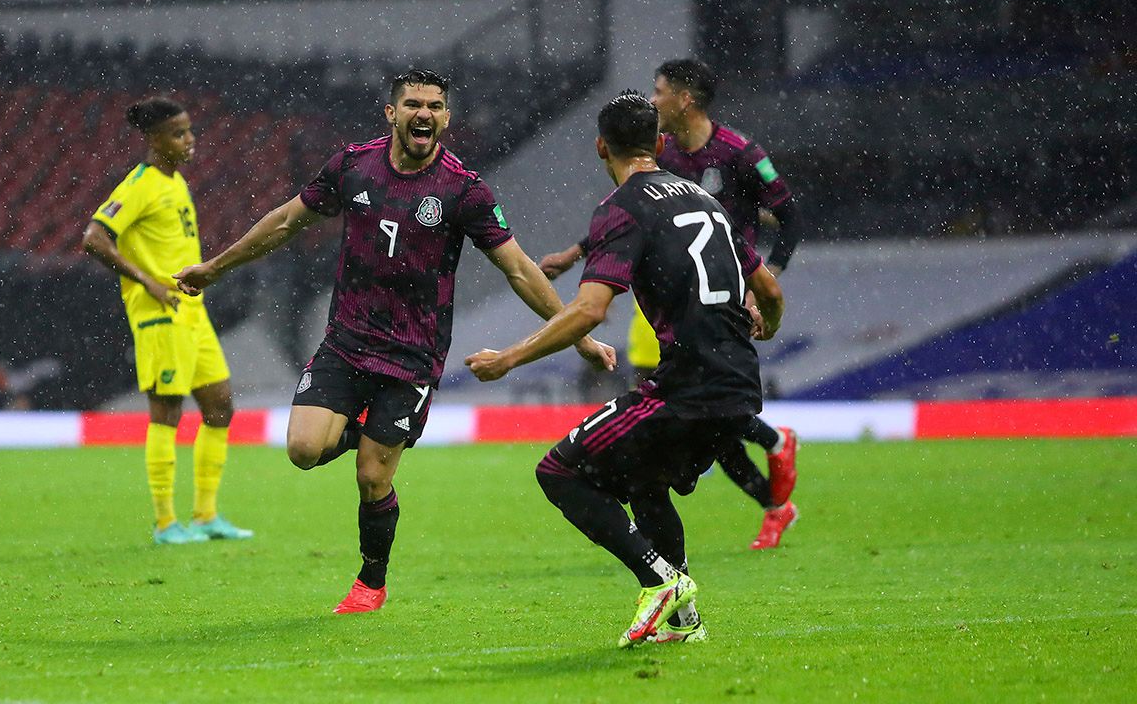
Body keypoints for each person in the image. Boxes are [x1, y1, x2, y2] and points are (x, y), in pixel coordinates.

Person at [173, 68, 615, 614]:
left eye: (434, 105)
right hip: (346, 340)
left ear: (446, 118)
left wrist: (576, 334)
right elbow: (286, 221)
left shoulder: (464, 190)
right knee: (303, 450)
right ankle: (372, 432)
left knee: (371, 477)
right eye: (412, 104)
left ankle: (370, 582)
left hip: (412, 356)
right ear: (391, 113)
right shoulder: (353, 166)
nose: (423, 113)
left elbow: (520, 271)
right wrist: (216, 268)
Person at [466, 92, 784, 646]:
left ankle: (661, 581)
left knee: (558, 472)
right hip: (739, 384)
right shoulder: (708, 204)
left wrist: (509, 358)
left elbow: (590, 308)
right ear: (660, 144)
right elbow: (770, 290)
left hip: (686, 384)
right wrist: (770, 323)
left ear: (600, 147)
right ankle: (686, 625)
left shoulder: (623, 207)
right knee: (644, 479)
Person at [538, 58, 802, 550]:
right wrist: (576, 254)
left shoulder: (742, 152)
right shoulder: (665, 160)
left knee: (694, 402)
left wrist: (766, 280)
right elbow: (631, 216)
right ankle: (769, 497)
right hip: (664, 289)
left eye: (659, 92)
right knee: (685, 410)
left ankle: (772, 450)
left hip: (723, 291)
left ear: (685, 98)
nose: (653, 100)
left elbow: (790, 216)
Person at [83, 97, 253, 546]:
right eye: (179, 133)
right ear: (154, 140)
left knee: (220, 408)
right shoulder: (139, 184)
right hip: (160, 315)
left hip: (192, 313)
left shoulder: (175, 183)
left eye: (190, 130)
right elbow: (94, 238)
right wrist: (150, 284)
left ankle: (206, 515)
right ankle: (164, 524)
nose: (190, 139)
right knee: (167, 416)